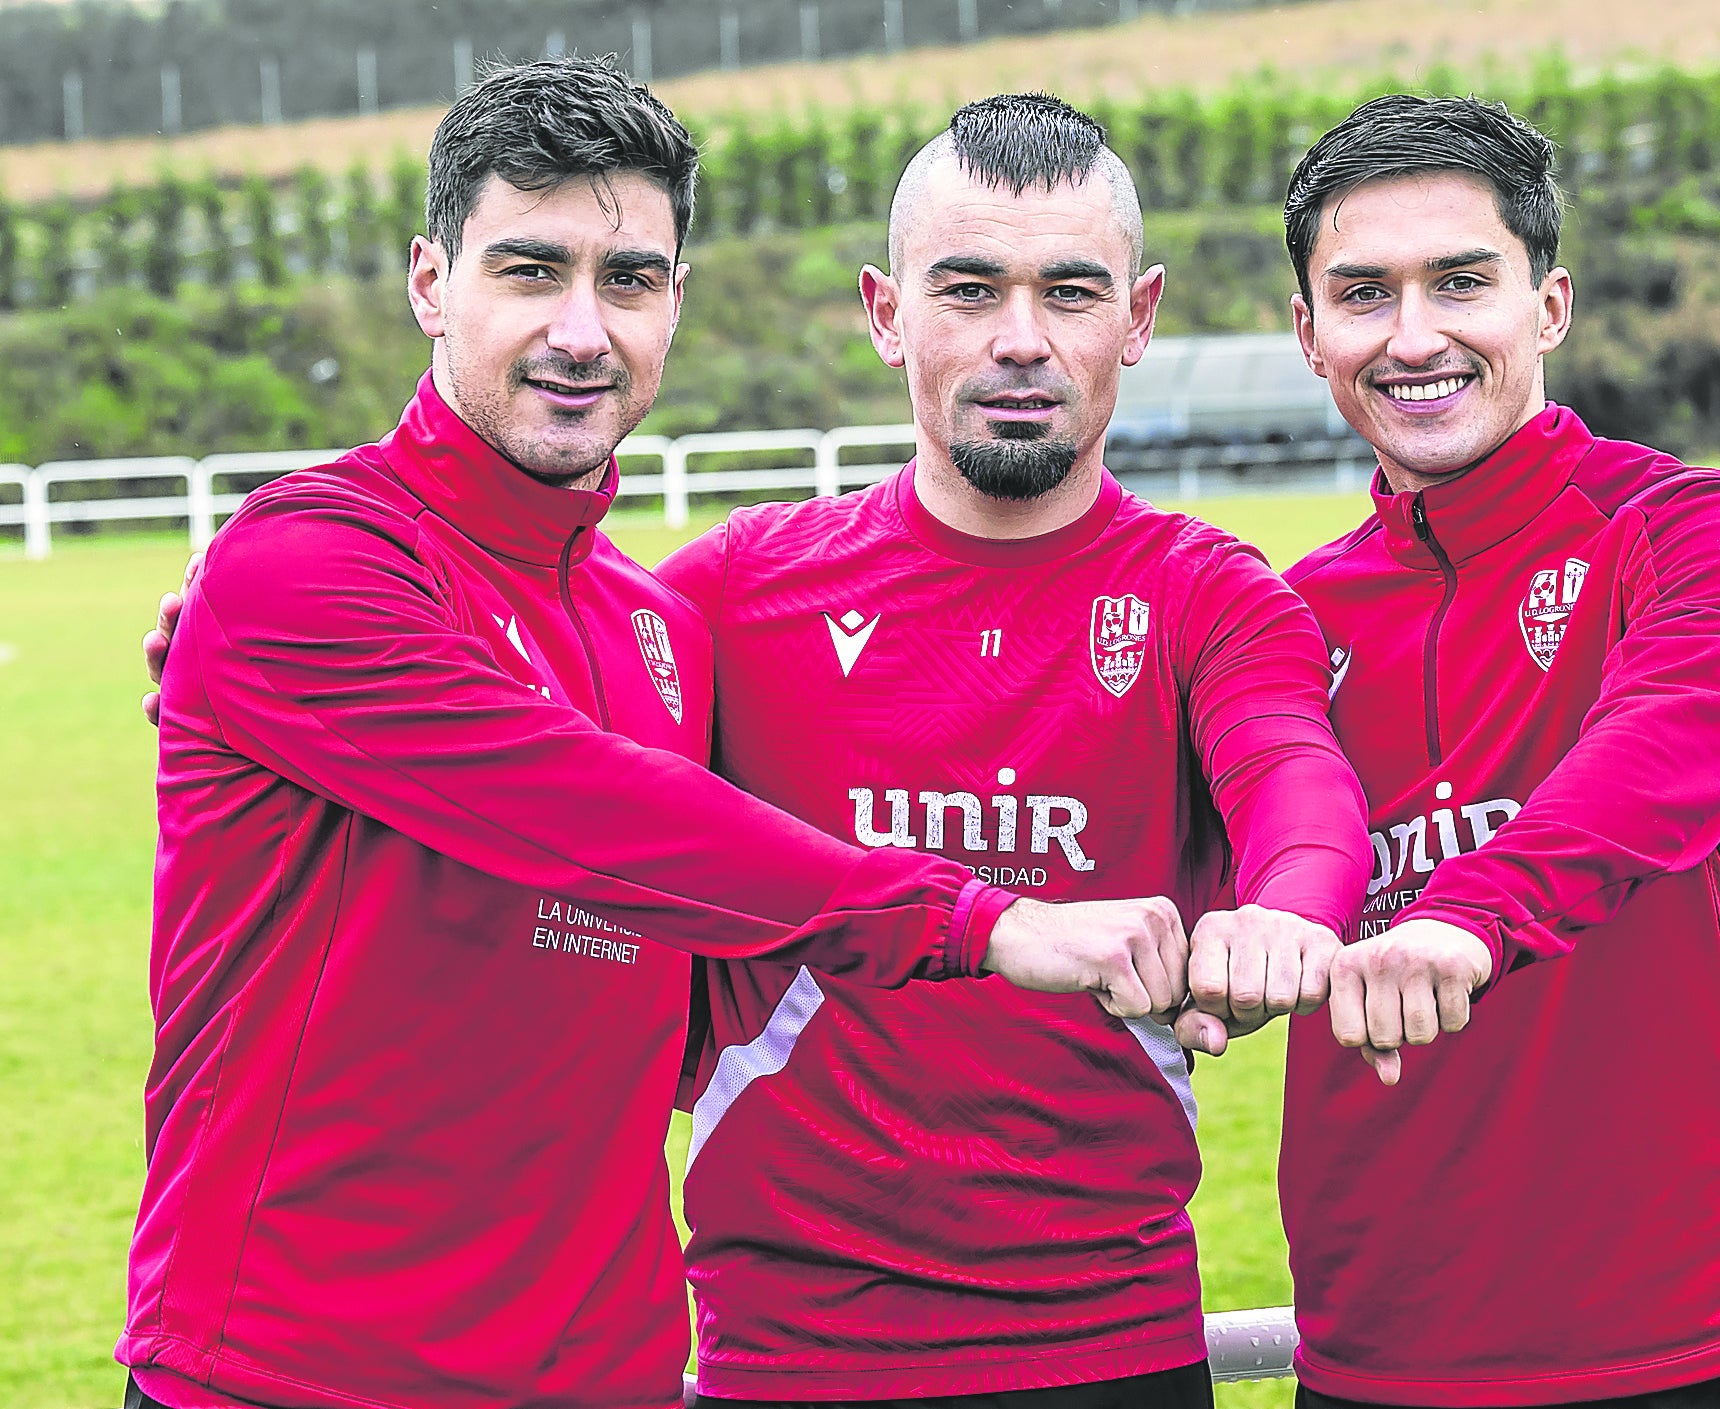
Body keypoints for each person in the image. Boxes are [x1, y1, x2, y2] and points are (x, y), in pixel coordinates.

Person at [121, 60, 1194, 1409]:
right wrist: (986, 920)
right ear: (428, 284)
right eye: (530, 270)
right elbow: (596, 813)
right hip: (299, 1372)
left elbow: (696, 962)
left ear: (674, 301)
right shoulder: (308, 563)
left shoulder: (660, 631)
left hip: (613, 1373)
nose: (582, 329)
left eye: (628, 280)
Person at [661, 94, 1373, 1408]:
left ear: (1140, 317)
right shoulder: (729, 591)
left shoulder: (1209, 595)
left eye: (1072, 292)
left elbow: (1298, 785)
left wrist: (1289, 916)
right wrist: (270, 641)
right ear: (887, 312)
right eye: (971, 289)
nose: (1021, 341)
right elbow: (527, 731)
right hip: (786, 1356)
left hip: (1109, 1349)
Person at [1277, 94, 1720, 1407]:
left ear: (1551, 303)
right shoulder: (1285, 616)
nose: (1414, 336)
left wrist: (1465, 918)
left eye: (1461, 281)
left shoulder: (1700, 536)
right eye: (1363, 294)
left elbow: (1653, 761)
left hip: (1684, 1328)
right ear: (1309, 335)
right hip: (1375, 1345)